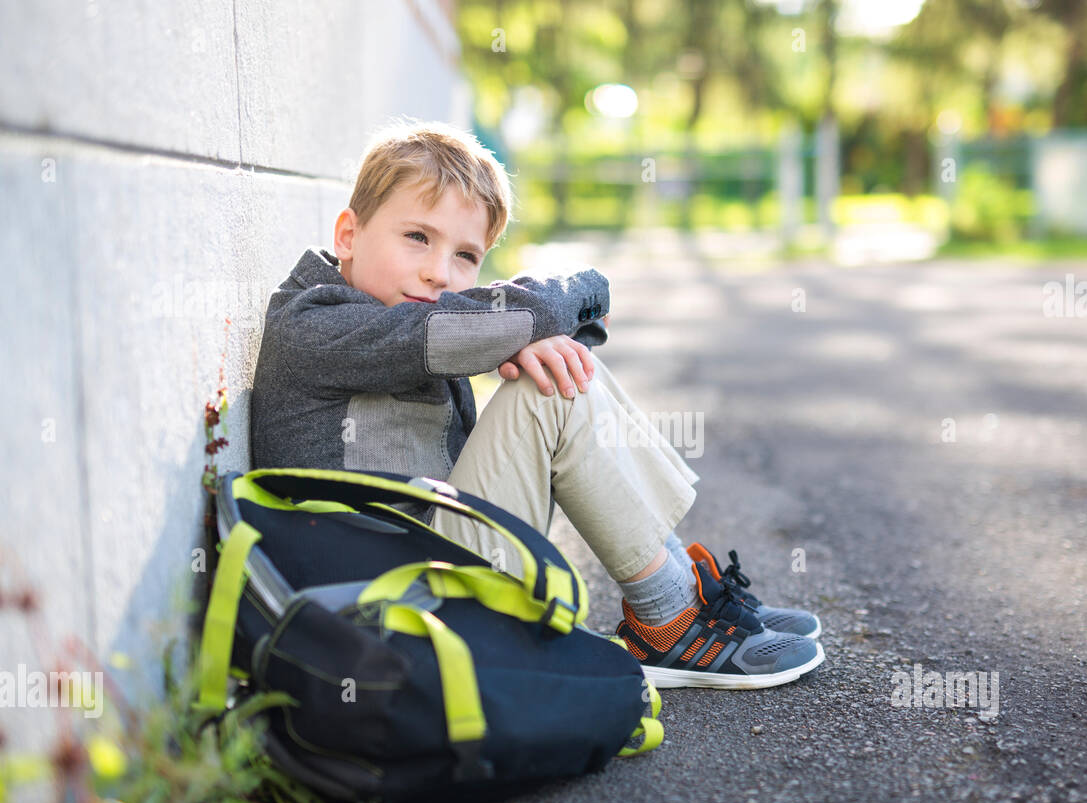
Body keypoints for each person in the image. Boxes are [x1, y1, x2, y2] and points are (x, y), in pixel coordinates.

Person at [250, 119, 824, 689]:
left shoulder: (400, 311)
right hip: (383, 611)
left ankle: (682, 592)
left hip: (430, 572)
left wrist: (532, 338)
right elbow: (503, 318)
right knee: (546, 384)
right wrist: (568, 306)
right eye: (417, 237)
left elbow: (502, 321)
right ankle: (671, 620)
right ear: (348, 234)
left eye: (466, 256)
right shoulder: (315, 325)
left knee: (558, 364)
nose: (438, 273)